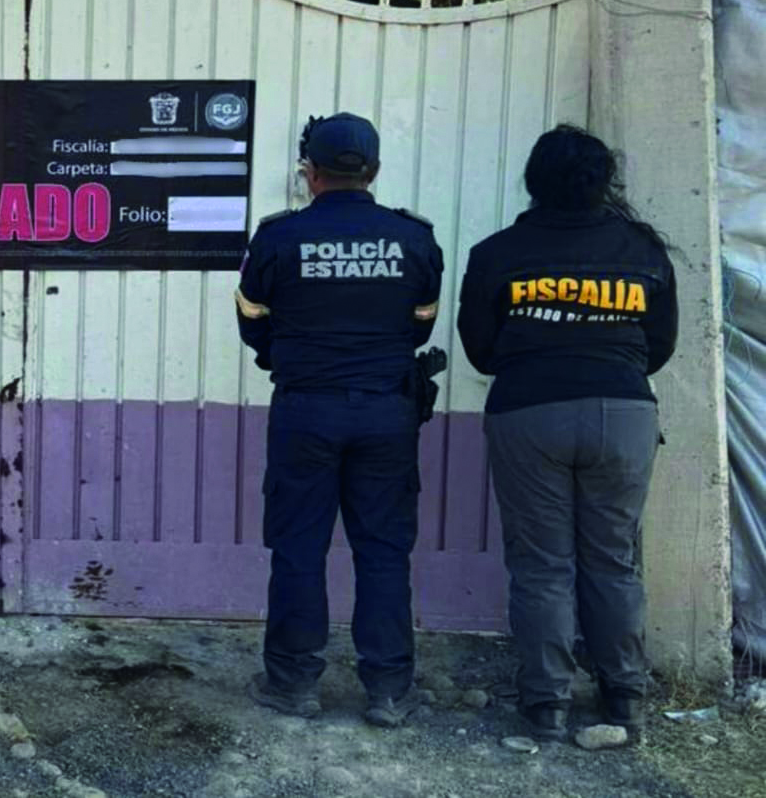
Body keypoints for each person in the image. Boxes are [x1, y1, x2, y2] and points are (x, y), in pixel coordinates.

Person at [457, 124, 677, 742]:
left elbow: (480, 347)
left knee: (541, 565)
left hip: (529, 411)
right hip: (623, 413)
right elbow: (660, 345)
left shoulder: (497, 253)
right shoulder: (643, 250)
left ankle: (547, 704)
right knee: (613, 560)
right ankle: (624, 696)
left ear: (533, 181)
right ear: (604, 182)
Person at [236, 112, 444, 727]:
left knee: (298, 546)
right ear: (373, 171)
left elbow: (253, 324)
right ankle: (388, 690)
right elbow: (421, 325)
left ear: (311, 172)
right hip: (387, 411)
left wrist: (295, 359)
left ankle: (292, 683)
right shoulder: (413, 239)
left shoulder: (278, 237)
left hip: (305, 409)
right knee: (383, 550)